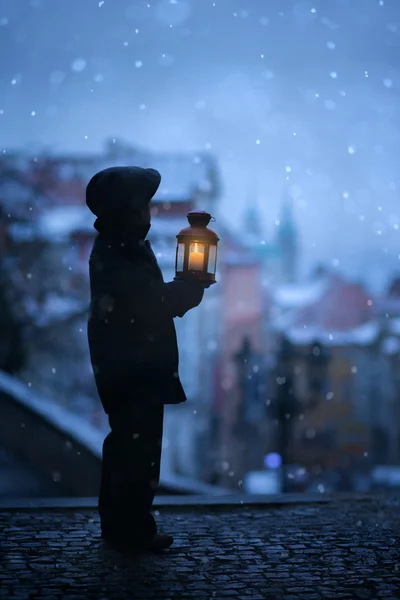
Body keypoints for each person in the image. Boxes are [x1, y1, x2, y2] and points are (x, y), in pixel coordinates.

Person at [86, 166, 212, 553]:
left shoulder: (119, 245)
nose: (150, 213)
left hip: (129, 364)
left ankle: (123, 525)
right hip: (133, 366)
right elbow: (148, 304)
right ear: (129, 211)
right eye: (144, 206)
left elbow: (144, 301)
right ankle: (131, 530)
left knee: (129, 444)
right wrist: (188, 287)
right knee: (136, 449)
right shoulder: (120, 250)